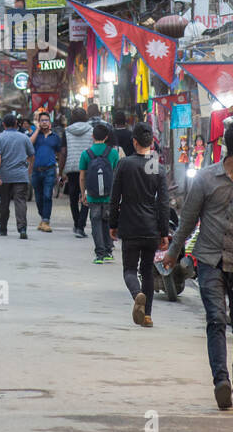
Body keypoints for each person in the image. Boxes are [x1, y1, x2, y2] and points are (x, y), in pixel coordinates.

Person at [164, 119, 233, 409]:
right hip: (208, 260)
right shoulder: (206, 179)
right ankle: (221, 381)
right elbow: (187, 219)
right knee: (215, 319)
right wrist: (173, 251)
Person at [109, 123, 170, 328]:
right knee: (147, 272)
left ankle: (137, 295)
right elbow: (163, 203)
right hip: (151, 227)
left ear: (134, 142)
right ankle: (147, 316)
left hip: (129, 224)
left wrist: (113, 223)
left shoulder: (125, 164)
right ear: (151, 142)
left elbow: (115, 196)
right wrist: (164, 232)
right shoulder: (157, 167)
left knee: (129, 270)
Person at [79, 121, 122, 263]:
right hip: (109, 194)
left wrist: (83, 194)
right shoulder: (113, 153)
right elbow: (116, 175)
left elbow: (82, 177)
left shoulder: (86, 154)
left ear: (92, 136)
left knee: (95, 222)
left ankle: (99, 254)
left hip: (92, 195)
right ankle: (109, 250)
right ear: (106, 137)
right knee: (107, 221)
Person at [0, 113, 34, 238]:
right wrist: (29, 171)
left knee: (4, 202)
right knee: (20, 201)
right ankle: (22, 229)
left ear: (3, 124)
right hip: (21, 175)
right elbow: (32, 156)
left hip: (5, 175)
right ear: (16, 124)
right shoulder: (24, 138)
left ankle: (3, 227)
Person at [29, 111, 65, 233]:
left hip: (50, 170)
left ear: (49, 122)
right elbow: (29, 144)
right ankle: (43, 217)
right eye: (42, 120)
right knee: (38, 197)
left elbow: (60, 154)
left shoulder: (55, 137)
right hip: (36, 170)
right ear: (39, 122)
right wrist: (37, 130)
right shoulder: (35, 135)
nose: (44, 122)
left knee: (47, 195)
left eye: (46, 120)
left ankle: (46, 220)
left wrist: (61, 171)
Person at [62, 108, 94, 239]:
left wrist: (61, 170)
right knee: (86, 195)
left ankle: (77, 223)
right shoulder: (92, 130)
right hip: (87, 166)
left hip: (72, 166)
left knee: (73, 197)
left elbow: (63, 152)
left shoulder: (67, 131)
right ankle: (81, 226)